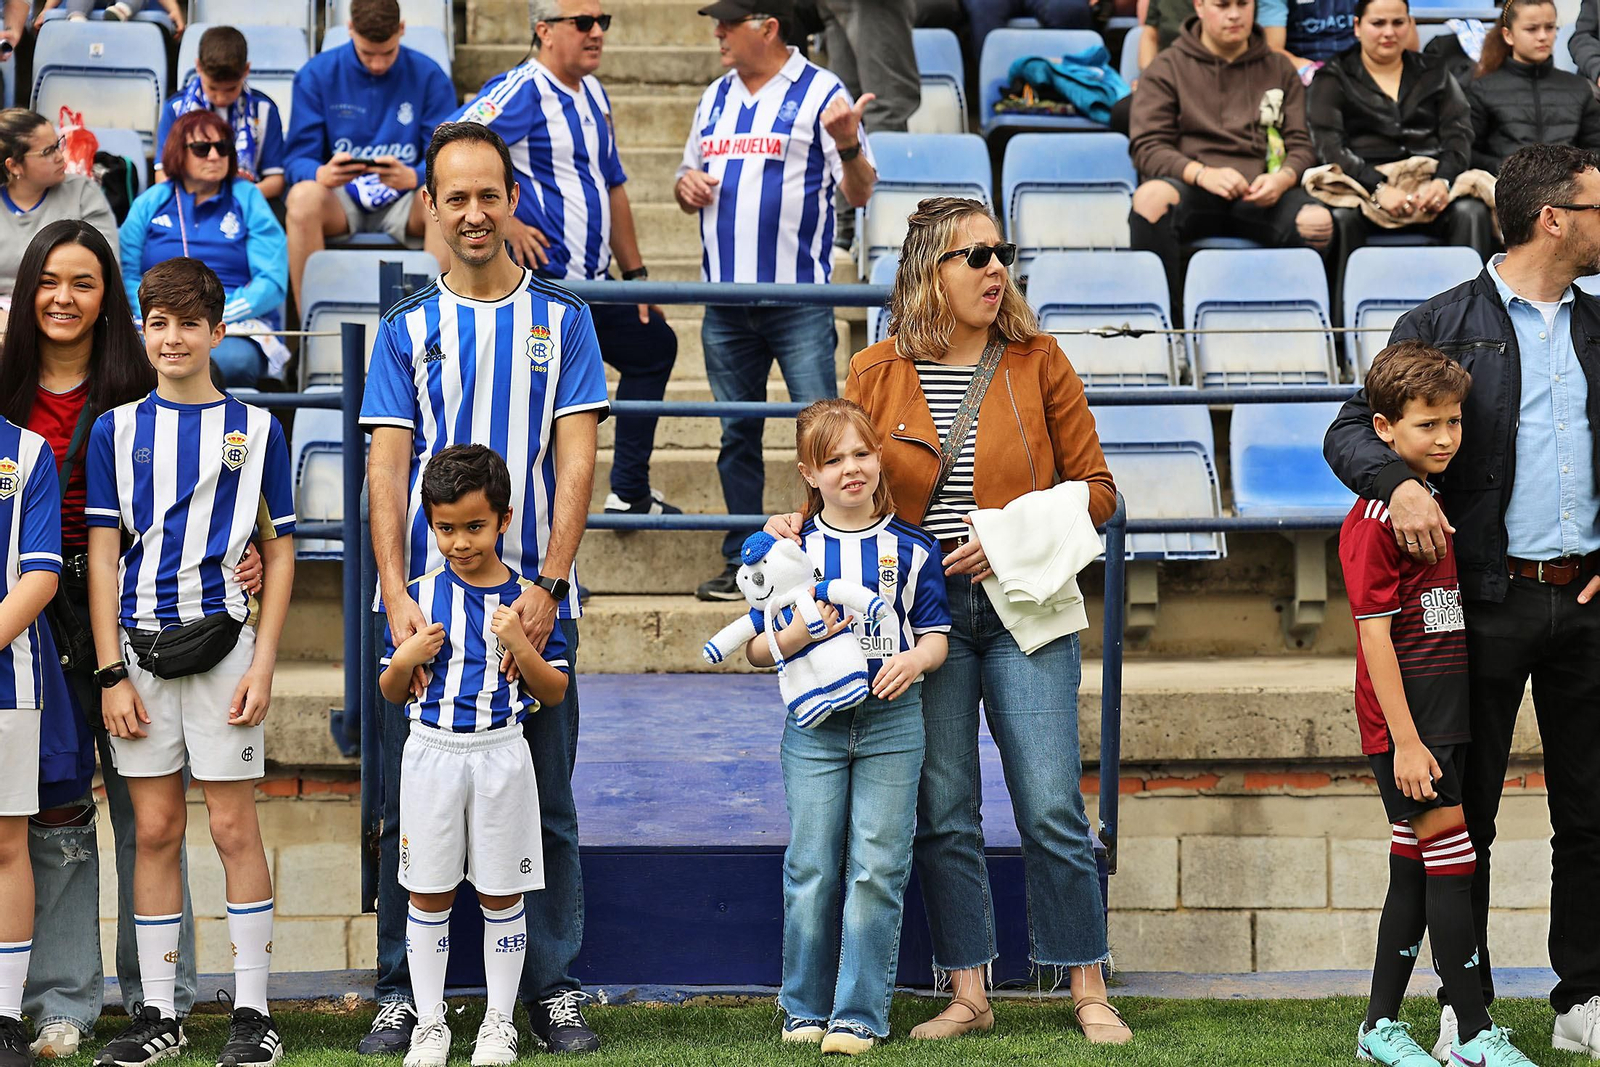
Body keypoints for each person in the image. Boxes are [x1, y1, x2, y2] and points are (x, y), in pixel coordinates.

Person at [767, 196, 1126, 1043]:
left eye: (1000, 251)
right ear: (930, 270)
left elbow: (1100, 492)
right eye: (974, 255)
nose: (995, 267)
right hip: (919, 618)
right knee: (947, 806)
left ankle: (1086, 984)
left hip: (1023, 607)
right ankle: (969, 990)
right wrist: (795, 522)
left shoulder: (1040, 361)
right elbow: (838, 470)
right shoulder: (876, 368)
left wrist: (1006, 541)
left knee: (1048, 804)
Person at [1323, 142, 1600, 1059]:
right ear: (1553, 217)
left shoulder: (1599, 324)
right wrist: (1397, 486)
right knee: (1462, 814)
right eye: (1597, 206)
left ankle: (1583, 1000)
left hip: (1585, 600)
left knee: (1592, 813)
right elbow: (1351, 428)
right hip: (1477, 603)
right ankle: (1461, 1006)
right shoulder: (1442, 320)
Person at [360, 122, 607, 1057]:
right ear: (430, 204)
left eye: (488, 194)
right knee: (401, 805)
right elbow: (387, 472)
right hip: (428, 613)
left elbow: (577, 460)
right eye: (454, 196)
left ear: (511, 200)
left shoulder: (564, 321)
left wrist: (547, 583)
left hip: (538, 603)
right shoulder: (406, 328)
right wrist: (392, 589)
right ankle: (397, 992)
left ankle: (552, 991)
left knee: (546, 804)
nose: (472, 212)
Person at [0, 221, 261, 1060]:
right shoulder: (5, 391)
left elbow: (222, 492)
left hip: (136, 613)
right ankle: (62, 998)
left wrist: (243, 554)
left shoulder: (140, 377)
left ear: (111, 297)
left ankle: (161, 997)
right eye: (49, 280)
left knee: (150, 815)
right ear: (27, 290)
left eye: (84, 281)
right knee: (54, 809)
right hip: (32, 615)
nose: (64, 298)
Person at [85, 257, 295, 1067]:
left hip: (225, 649)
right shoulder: (116, 427)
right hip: (137, 653)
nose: (172, 338)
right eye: (157, 322)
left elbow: (279, 557)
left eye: (188, 323)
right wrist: (109, 670)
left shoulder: (257, 429)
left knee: (235, 825)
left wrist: (265, 661)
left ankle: (252, 1011)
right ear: (144, 329)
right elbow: (103, 555)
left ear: (217, 331)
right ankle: (161, 1013)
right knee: (157, 830)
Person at [1339, 341, 1540, 1067]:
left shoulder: (1438, 501)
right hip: (1410, 724)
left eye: (1454, 421)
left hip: (1442, 715)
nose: (1448, 437)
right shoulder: (1375, 518)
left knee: (1415, 866)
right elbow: (1375, 642)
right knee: (1452, 858)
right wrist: (1407, 741)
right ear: (1385, 429)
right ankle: (1475, 1034)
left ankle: (1378, 1026)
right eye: (1429, 424)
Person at [751, 399, 948, 1054]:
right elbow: (754, 649)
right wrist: (791, 636)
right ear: (810, 472)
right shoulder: (790, 551)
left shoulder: (914, 548)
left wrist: (915, 658)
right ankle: (803, 1006)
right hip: (814, 725)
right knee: (811, 862)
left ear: (878, 456)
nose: (851, 468)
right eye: (833, 459)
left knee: (877, 865)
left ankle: (859, 1013)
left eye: (861, 452)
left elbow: (937, 637)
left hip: (893, 721)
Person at [676, 0, 877, 601]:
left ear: (767, 27)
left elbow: (862, 191)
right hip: (725, 300)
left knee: (823, 433)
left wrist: (846, 146)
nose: (717, 32)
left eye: (728, 23)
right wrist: (686, 189)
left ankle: (825, 552)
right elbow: (689, 180)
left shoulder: (823, 91)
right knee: (736, 431)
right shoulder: (714, 97)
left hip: (798, 299)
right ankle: (746, 560)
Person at [379, 445, 571, 1067]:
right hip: (431, 754)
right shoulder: (415, 597)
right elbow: (389, 688)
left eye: (474, 527)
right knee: (427, 894)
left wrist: (519, 639)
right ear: (429, 523)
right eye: (445, 528)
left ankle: (497, 1023)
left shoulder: (530, 601)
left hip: (501, 756)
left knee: (501, 894)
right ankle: (430, 1024)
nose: (460, 542)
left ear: (505, 520)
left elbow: (555, 689)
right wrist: (406, 660)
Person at [451, 0, 682, 517]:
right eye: (583, 23)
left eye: (603, 22)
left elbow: (613, 186)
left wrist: (637, 276)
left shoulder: (594, 93)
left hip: (595, 282)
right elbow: (453, 146)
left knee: (654, 346)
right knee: (540, 404)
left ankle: (628, 490)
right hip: (542, 284)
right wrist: (505, 222)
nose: (597, 32)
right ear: (545, 31)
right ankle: (517, 516)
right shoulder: (523, 89)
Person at [1129, 0, 1332, 306]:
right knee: (1149, 200)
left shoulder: (1279, 68)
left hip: (1263, 192)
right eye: (1222, 5)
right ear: (1199, 6)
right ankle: (1166, 331)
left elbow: (1302, 145)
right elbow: (1147, 147)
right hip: (1193, 187)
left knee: (1318, 222)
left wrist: (1282, 179)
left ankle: (1305, 330)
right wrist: (1202, 174)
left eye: (1243, 4)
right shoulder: (1166, 66)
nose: (1235, 14)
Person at [282, 0, 455, 309]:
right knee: (301, 198)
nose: (377, 64)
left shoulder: (430, 76)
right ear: (349, 30)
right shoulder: (316, 74)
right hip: (340, 197)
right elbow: (296, 161)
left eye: (387, 53)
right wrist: (320, 174)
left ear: (401, 31)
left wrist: (414, 175)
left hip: (406, 196)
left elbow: (446, 155)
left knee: (443, 196)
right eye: (367, 54)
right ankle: (310, 334)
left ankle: (438, 327)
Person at [1306, 0, 1495, 261]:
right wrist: (1378, 188)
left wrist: (1443, 180)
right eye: (1378, 23)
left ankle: (1472, 301)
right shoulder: (1332, 77)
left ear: (1410, 24)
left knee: (1471, 212)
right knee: (1341, 217)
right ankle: (1344, 303)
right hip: (1363, 186)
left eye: (1398, 22)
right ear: (1358, 27)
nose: (1389, 32)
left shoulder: (1435, 71)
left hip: (1430, 184)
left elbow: (1459, 132)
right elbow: (1329, 145)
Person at [120, 110, 289, 388]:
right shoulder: (151, 201)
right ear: (178, 152)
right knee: (126, 357)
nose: (214, 156)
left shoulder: (248, 198)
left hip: (231, 322)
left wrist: (212, 314)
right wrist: (160, 313)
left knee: (234, 361)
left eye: (222, 148)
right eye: (202, 148)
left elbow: (271, 281)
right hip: (157, 318)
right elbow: (125, 271)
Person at [0, 386, 64, 1067]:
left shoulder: (27, 451)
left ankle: (4, 1015)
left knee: (6, 845)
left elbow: (40, 574)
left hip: (7, 683)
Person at [0, 109, 118, 327]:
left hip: (66, 310)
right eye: (47, 152)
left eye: (58, 144)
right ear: (14, 165)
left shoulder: (82, 193)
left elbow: (106, 266)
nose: (60, 156)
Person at [1469, 0, 1600, 175]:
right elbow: (1466, 152)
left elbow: (1595, 150)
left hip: (1568, 193)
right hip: (1504, 189)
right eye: (1532, 29)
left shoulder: (1579, 88)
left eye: (1550, 27)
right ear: (1508, 35)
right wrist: (1510, 170)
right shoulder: (1481, 90)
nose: (1543, 36)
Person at [156, 26, 286, 201]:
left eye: (231, 89)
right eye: (213, 88)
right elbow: (162, 175)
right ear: (198, 67)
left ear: (246, 70)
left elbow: (276, 180)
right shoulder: (176, 108)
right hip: (189, 202)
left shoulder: (265, 109)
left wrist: (233, 198)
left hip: (245, 203)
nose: (221, 98)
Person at [30, 0, 183, 28]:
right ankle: (76, 19)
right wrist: (46, 9)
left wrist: (174, 9)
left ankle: (122, 10)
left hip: (122, 8)